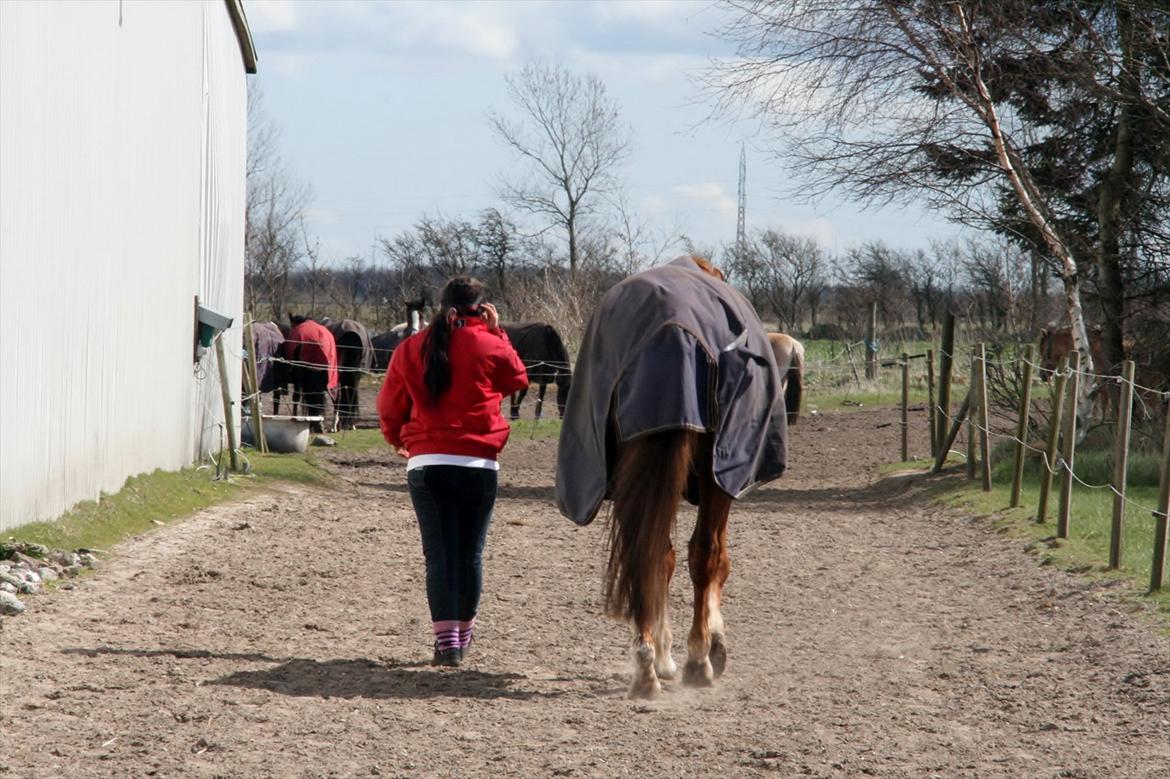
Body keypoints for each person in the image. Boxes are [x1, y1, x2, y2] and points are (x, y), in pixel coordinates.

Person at [376, 277, 529, 667]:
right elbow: (517, 380)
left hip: (427, 464)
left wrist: (398, 439)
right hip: (478, 464)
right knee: (470, 555)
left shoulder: (410, 348)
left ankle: (447, 645)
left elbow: (389, 405)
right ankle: (463, 637)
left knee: (439, 556)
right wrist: (499, 333)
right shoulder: (491, 344)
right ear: (481, 310)